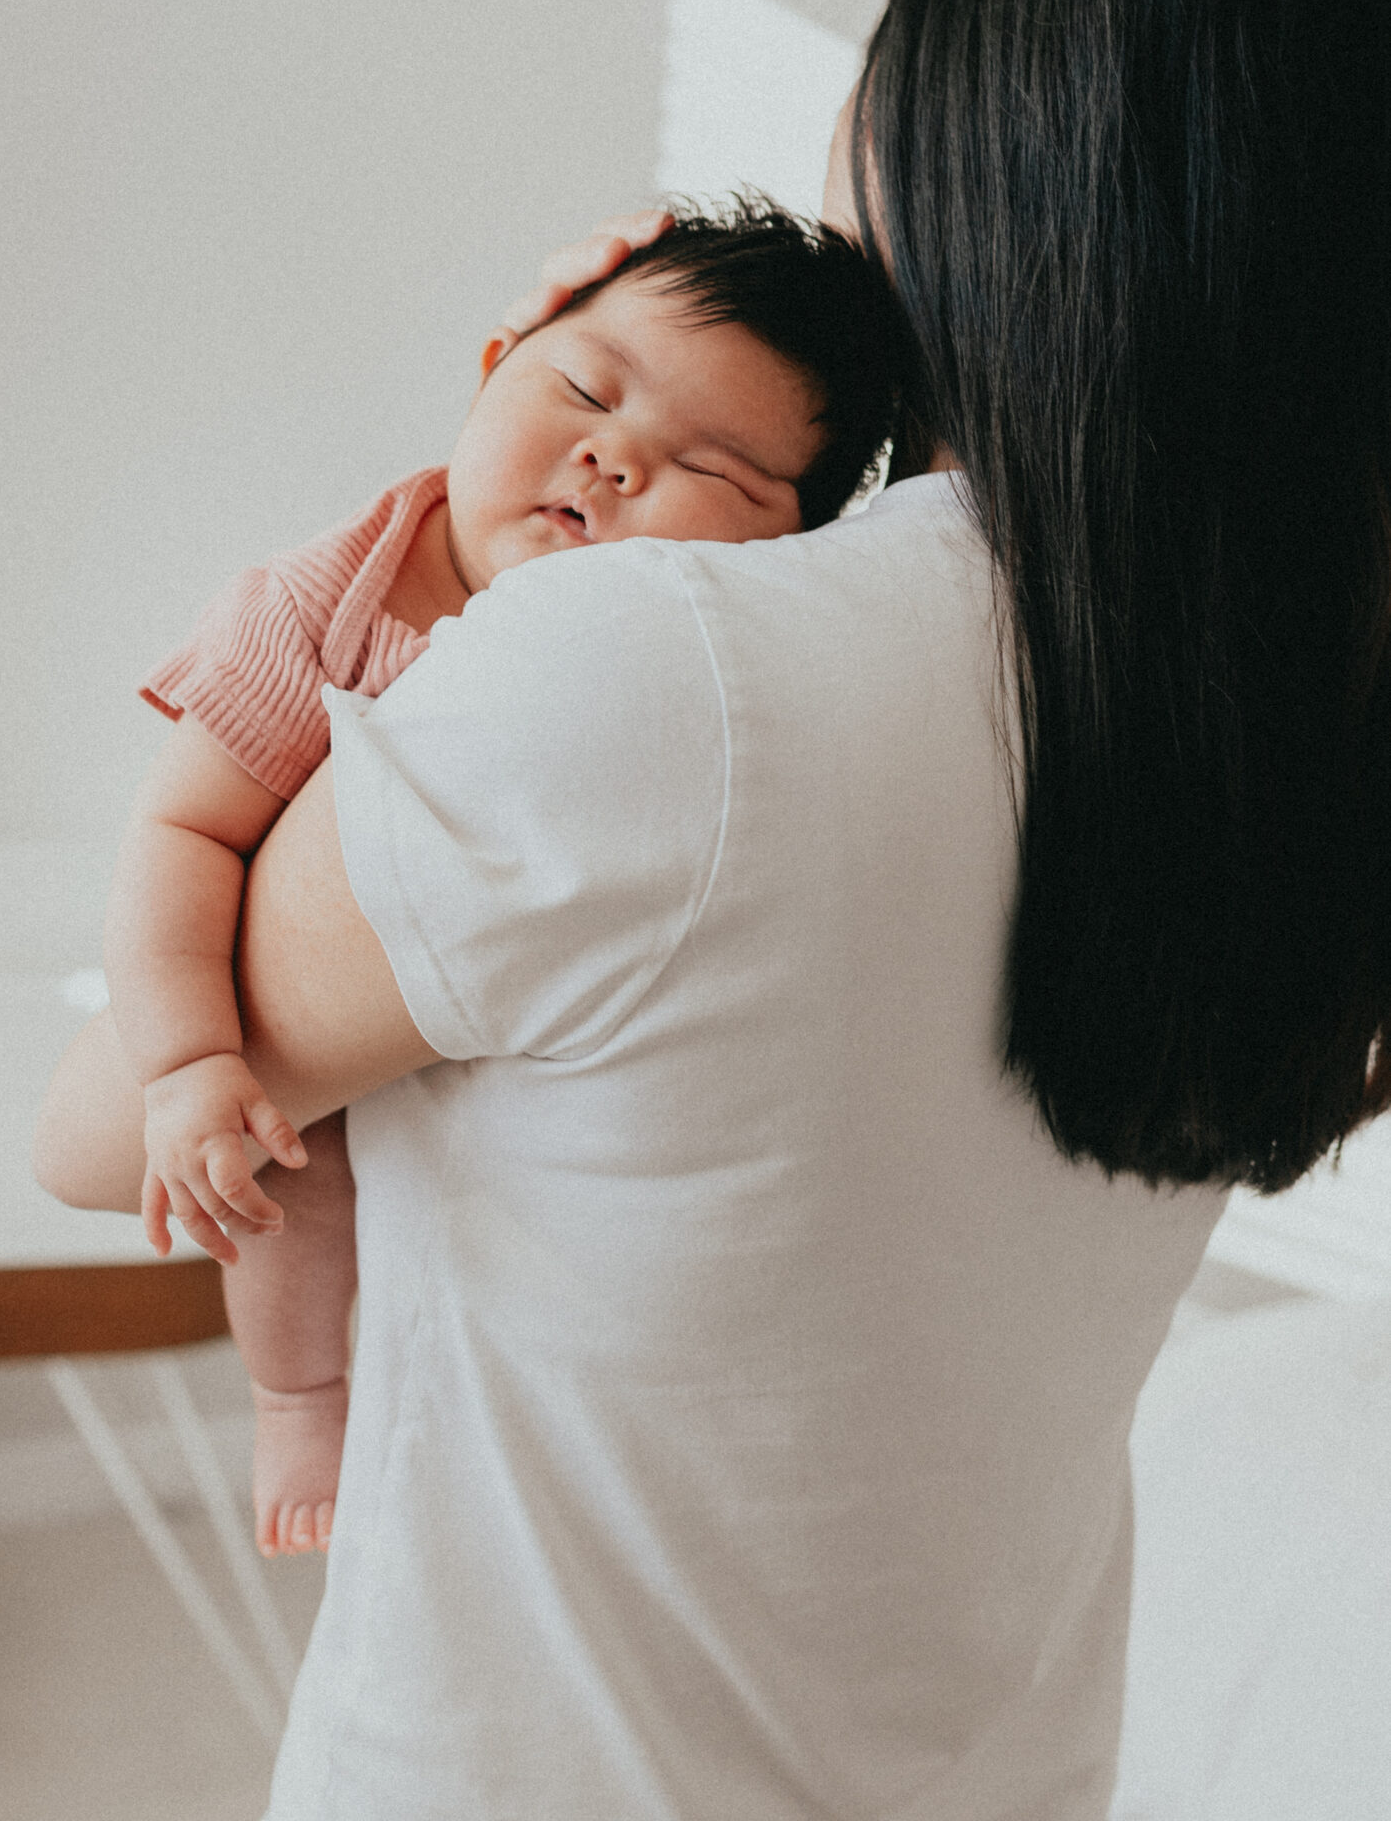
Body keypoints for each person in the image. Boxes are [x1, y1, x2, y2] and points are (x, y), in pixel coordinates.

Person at [34, 0, 1391, 1820]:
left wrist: (495, 494)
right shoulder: (1288, 743)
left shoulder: (661, 670)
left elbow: (89, 1126)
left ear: (941, 134)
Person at [62, 202, 900, 1556]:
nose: (611, 458)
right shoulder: (324, 605)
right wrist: (184, 1063)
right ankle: (297, 1401)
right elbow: (181, 840)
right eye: (582, 389)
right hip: (267, 1007)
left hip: (522, 1068)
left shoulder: (698, 681)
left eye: (714, 469)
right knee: (288, 1180)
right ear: (491, 362)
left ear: (787, 554)